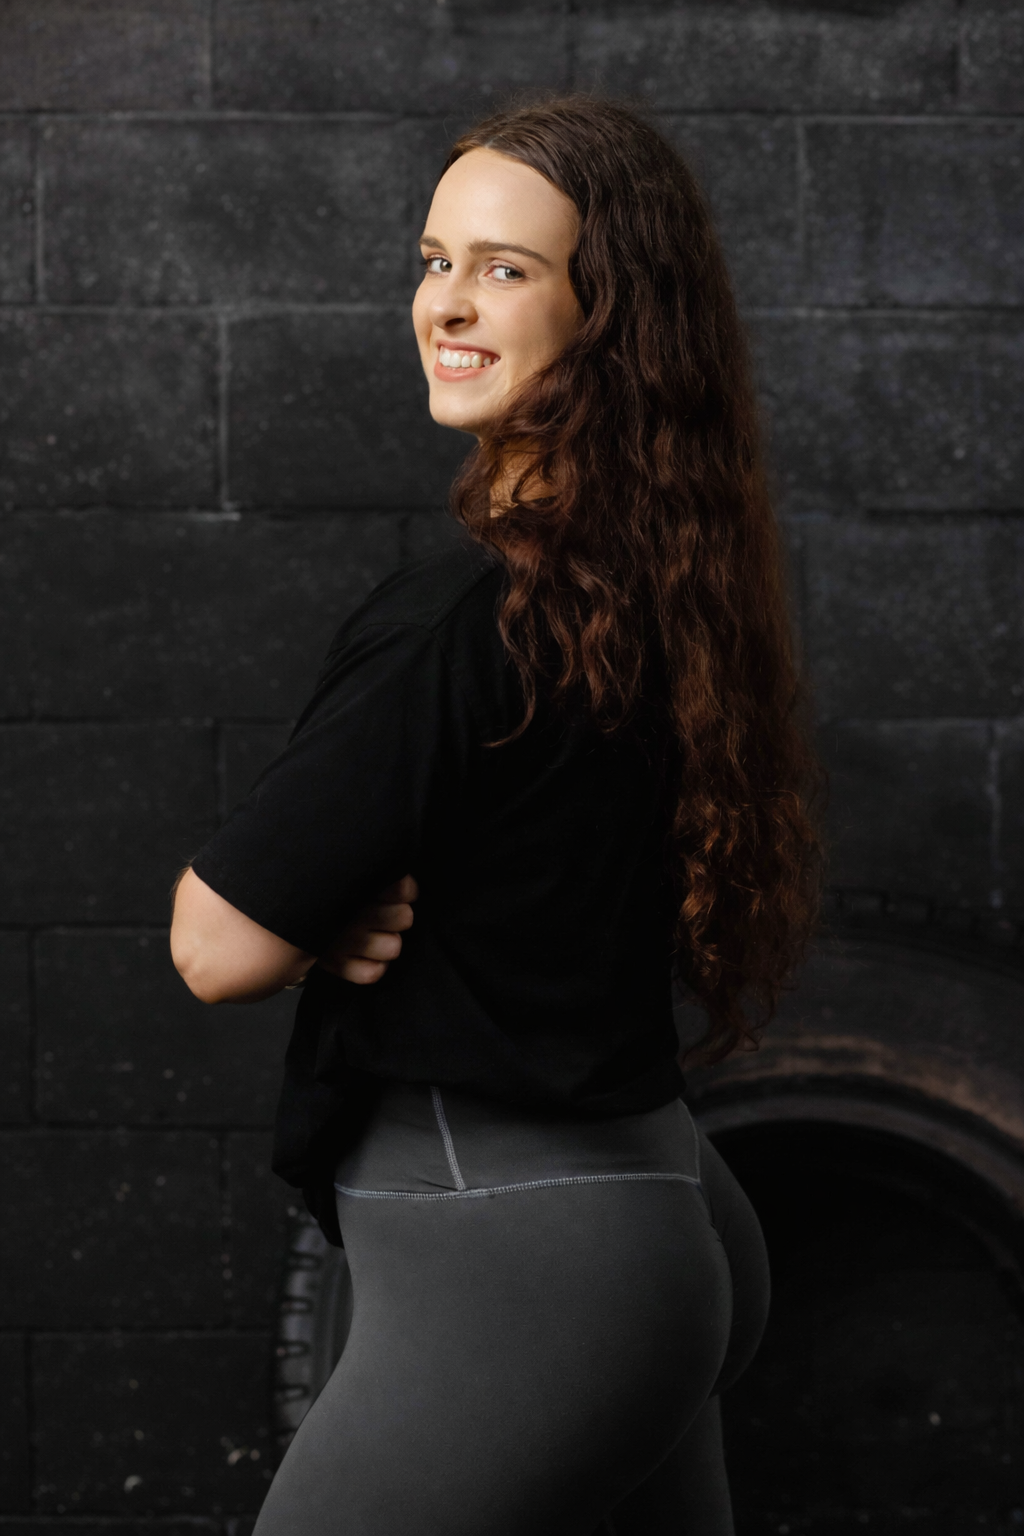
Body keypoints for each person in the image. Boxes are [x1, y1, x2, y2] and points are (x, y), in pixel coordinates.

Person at [171, 96, 821, 1535]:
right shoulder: (663, 585)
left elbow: (215, 945)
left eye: (507, 269)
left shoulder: (460, 618)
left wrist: (323, 905)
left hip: (518, 1265)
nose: (446, 303)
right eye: (433, 257)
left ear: (609, 317)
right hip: (654, 1211)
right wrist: (353, 892)